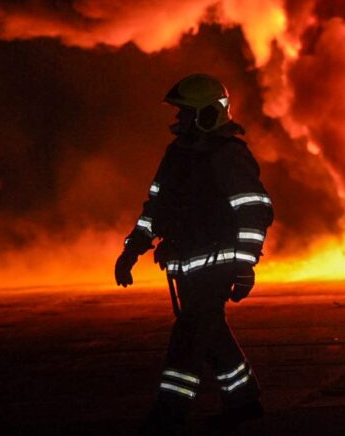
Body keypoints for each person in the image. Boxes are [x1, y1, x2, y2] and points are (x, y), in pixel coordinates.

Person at [113, 74, 274, 434]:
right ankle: (244, 400)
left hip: (217, 265)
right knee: (210, 331)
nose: (178, 119)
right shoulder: (177, 155)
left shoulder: (228, 155)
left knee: (188, 338)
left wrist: (245, 265)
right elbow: (156, 208)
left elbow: (253, 210)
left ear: (207, 114)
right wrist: (131, 250)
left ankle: (168, 413)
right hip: (185, 265)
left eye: (185, 113)